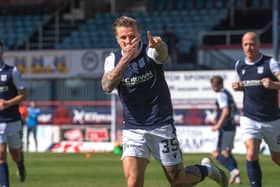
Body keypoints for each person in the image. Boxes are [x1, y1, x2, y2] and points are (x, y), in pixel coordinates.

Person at [101, 16, 228, 187]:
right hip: (133, 129)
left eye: (132, 36)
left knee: (178, 181)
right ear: (117, 39)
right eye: (123, 37)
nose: (128, 41)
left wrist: (161, 46)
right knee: (133, 183)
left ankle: (207, 169)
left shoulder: (149, 51)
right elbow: (107, 86)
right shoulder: (112, 60)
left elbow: (162, 54)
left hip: (160, 126)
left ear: (139, 35)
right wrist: (126, 59)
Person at [232, 31, 280, 187]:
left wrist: (274, 85)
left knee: (276, 158)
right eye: (246, 44)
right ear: (242, 46)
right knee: (251, 152)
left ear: (259, 45)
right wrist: (238, 87)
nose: (249, 47)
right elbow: (245, 86)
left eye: (252, 44)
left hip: (272, 119)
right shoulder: (239, 65)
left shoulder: (270, 63)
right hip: (249, 118)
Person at [0, 41, 27, 187]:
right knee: (1, 155)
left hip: (12, 119)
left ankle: (20, 165)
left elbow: (24, 94)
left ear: (2, 52)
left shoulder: (12, 71)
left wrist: (7, 103)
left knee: (15, 154)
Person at [210, 75, 241, 184]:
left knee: (215, 153)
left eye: (214, 86)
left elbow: (225, 111)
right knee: (228, 153)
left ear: (218, 85)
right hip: (232, 125)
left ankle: (233, 170)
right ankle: (237, 177)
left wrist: (218, 125)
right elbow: (235, 108)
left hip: (224, 127)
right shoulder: (228, 94)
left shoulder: (221, 94)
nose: (213, 88)